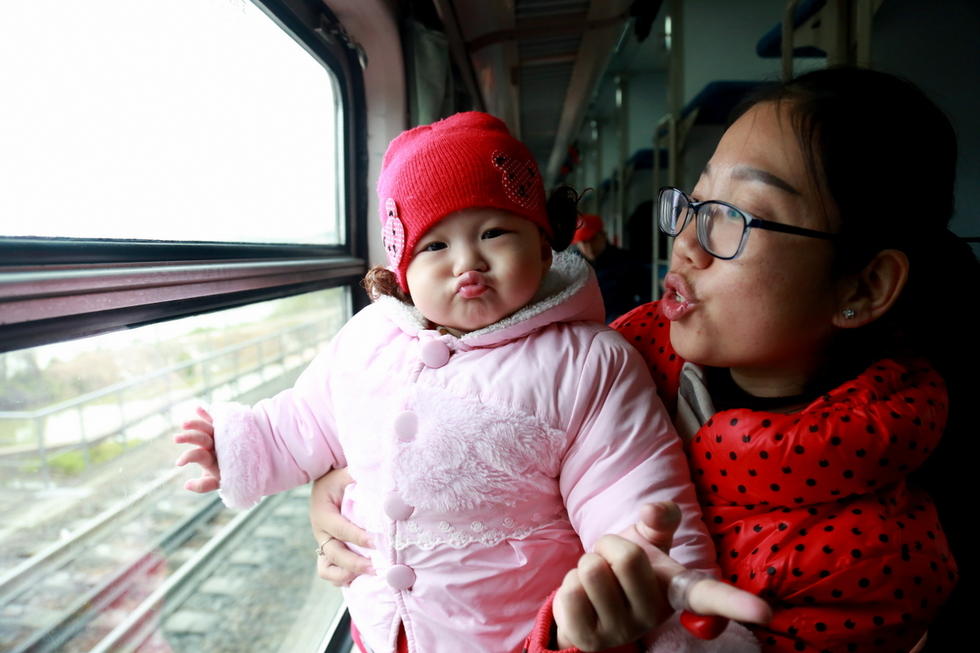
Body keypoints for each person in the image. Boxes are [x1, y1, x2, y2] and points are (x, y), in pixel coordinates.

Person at [310, 67, 976, 652]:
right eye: (695, 203)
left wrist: (591, 644)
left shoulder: (880, 560)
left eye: (737, 216)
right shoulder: (629, 346)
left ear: (863, 286)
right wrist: (354, 478)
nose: (685, 242)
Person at [174, 112, 766, 653]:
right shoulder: (367, 339)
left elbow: (631, 489)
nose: (467, 263)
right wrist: (237, 445)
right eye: (435, 245)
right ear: (403, 272)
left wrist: (664, 580)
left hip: (508, 634)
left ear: (543, 241)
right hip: (380, 627)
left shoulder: (587, 362)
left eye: (494, 234)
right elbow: (305, 419)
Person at [571, 213, 652, 323]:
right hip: (583, 325)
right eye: (584, 242)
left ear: (603, 235)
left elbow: (647, 295)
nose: (589, 247)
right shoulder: (571, 265)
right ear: (577, 244)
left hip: (620, 323)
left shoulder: (627, 261)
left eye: (593, 239)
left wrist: (630, 316)